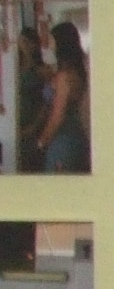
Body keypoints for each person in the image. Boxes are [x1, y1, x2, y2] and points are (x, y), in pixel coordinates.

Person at [34, 20, 90, 174]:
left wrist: (41, 141)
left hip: (63, 139)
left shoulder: (64, 76)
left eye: (52, 40)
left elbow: (58, 115)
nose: (50, 45)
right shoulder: (74, 72)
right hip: (74, 135)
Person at [13, 24, 47, 172]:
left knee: (32, 163)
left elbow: (46, 102)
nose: (25, 46)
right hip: (17, 122)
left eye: (29, 42)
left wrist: (33, 127)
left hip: (34, 123)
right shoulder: (13, 68)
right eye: (23, 42)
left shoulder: (42, 69)